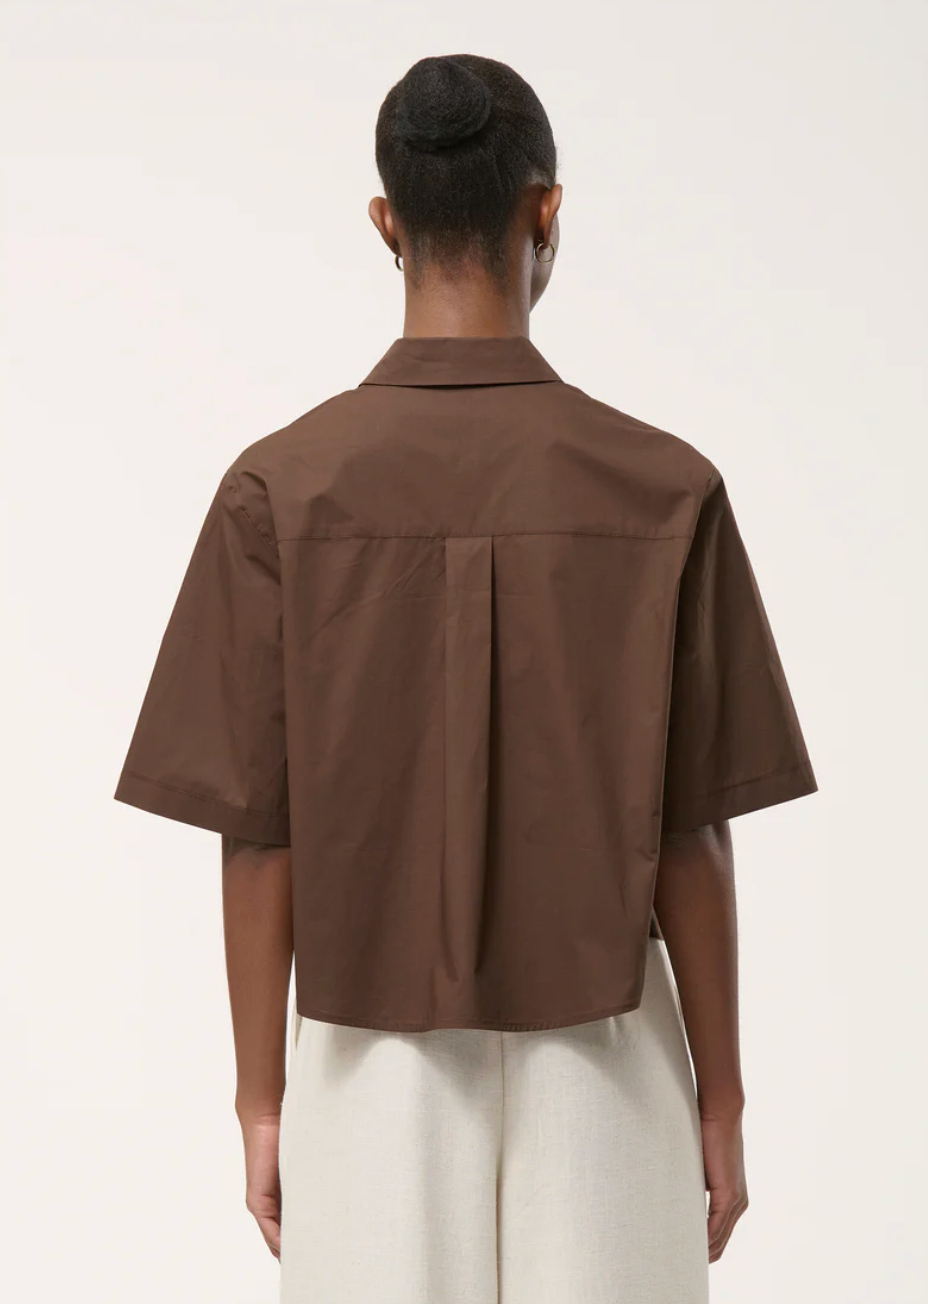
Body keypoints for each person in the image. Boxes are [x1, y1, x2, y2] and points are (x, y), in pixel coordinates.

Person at [113, 53, 817, 1304]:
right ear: (546, 212)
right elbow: (692, 831)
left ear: (386, 221)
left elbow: (259, 838)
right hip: (607, 1053)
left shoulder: (279, 487)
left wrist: (261, 1101)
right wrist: (720, 1098)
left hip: (365, 1063)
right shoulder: (664, 486)